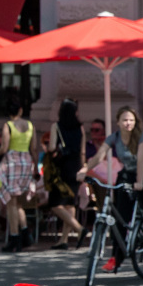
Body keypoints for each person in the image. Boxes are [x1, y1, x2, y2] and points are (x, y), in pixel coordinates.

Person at [78, 106, 143, 280]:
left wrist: (140, 182)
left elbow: (141, 161)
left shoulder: (141, 136)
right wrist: (84, 169)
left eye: (131, 120)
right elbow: (99, 156)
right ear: (118, 122)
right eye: (125, 120)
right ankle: (115, 258)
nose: (128, 123)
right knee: (120, 214)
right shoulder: (114, 137)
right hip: (128, 173)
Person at [46, 98, 86, 249]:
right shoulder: (80, 128)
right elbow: (82, 151)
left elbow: (51, 148)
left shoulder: (56, 126)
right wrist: (82, 169)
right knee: (70, 203)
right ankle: (63, 240)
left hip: (62, 167)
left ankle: (79, 229)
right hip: (76, 167)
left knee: (55, 204)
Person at [0, 107, 35, 252]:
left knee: (11, 202)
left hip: (12, 162)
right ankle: (25, 234)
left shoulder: (9, 125)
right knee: (17, 202)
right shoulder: (30, 125)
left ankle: (14, 237)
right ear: (20, 109)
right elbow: (34, 147)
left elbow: (4, 148)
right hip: (26, 162)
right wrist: (35, 166)